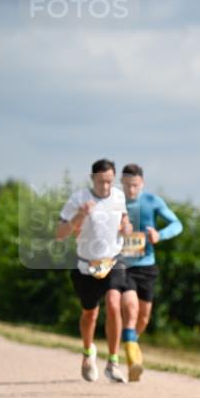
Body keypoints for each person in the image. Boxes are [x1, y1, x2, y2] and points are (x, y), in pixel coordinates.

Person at [55, 159, 134, 384]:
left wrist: (127, 226)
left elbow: (124, 219)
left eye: (110, 181)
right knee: (90, 313)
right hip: (86, 264)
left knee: (113, 303)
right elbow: (60, 233)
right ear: (92, 179)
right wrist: (80, 215)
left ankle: (113, 362)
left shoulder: (118, 197)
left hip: (113, 260)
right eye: (101, 182)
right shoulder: (78, 199)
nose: (106, 187)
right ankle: (88, 353)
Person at [116, 163, 184, 382]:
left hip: (146, 266)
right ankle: (133, 360)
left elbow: (177, 224)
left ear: (142, 183)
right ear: (121, 183)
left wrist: (159, 235)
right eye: (127, 185)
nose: (131, 190)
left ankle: (130, 344)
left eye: (135, 185)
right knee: (131, 308)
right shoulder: (114, 204)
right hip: (122, 265)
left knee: (143, 318)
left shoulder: (152, 202)